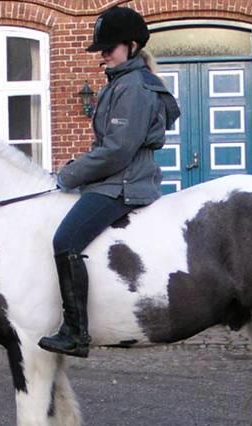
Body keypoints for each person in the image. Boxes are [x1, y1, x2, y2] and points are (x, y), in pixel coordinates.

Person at [38, 6, 180, 358]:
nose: (102, 56)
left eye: (109, 48)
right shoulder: (123, 83)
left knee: (66, 239)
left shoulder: (133, 88)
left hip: (124, 184)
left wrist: (69, 175)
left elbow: (117, 150)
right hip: (117, 178)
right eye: (101, 50)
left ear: (131, 46)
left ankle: (75, 331)